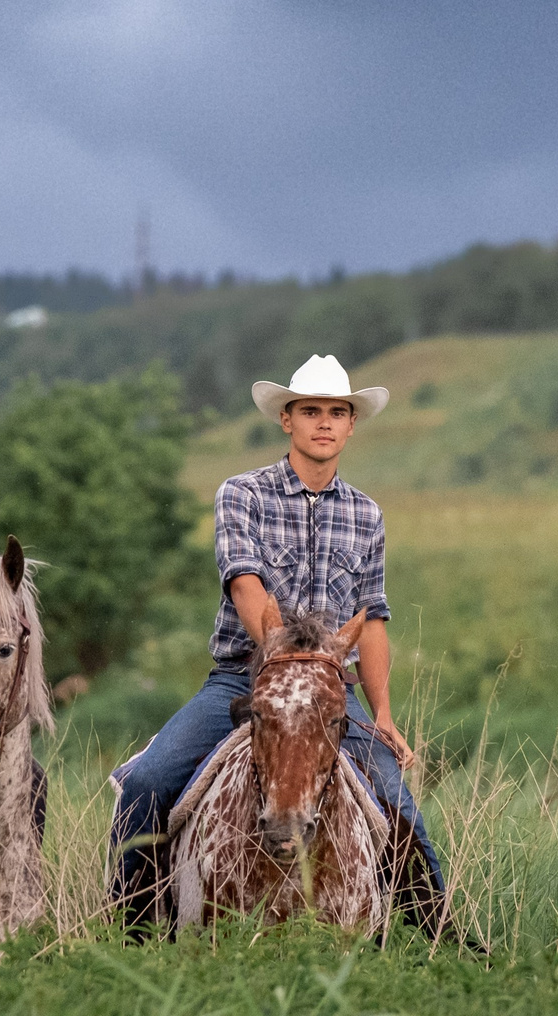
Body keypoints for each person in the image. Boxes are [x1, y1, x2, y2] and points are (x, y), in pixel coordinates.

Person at [110, 352, 448, 933]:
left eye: (336, 413)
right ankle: (132, 927)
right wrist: (278, 661)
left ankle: (441, 941)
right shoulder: (243, 494)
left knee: (402, 812)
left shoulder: (367, 515)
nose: (324, 422)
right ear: (286, 419)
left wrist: (385, 713)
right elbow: (246, 583)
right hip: (244, 680)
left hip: (330, 693)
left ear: (350, 425)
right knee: (147, 781)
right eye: (310, 410)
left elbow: (371, 621)